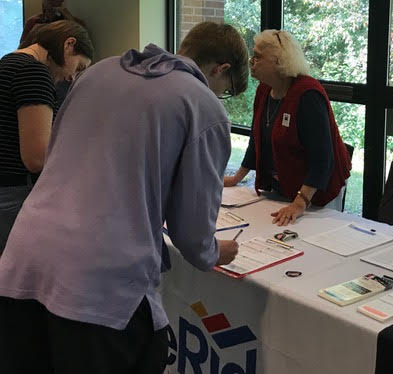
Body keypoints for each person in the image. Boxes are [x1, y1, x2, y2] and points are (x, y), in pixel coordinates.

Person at [0, 22, 248, 373]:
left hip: (23, 263)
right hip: (98, 286)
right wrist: (213, 252)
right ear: (220, 69)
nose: (220, 96)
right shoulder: (202, 104)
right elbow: (192, 233)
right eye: (226, 90)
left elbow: (55, 158)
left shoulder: (99, 71)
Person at [224, 29, 351, 226]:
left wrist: (300, 202)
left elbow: (322, 159)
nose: (251, 62)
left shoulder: (308, 95)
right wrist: (236, 178)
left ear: (278, 61)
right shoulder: (264, 90)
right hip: (283, 190)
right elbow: (256, 140)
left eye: (258, 57)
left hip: (316, 196)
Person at [0, 20, 93, 253]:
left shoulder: (7, 62)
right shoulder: (34, 71)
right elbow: (37, 158)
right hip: (12, 194)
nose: (73, 77)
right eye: (79, 67)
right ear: (69, 45)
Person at [19, 0, 88, 108]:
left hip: (63, 73)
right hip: (41, 71)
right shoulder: (34, 23)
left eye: (57, 4)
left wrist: (66, 16)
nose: (52, 8)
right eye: (49, 4)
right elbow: (23, 47)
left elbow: (83, 43)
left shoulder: (74, 22)